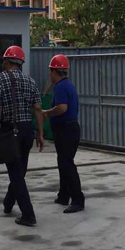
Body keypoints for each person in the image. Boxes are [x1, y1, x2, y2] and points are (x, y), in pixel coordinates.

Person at [0, 45, 44, 227]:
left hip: (10, 130)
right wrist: (40, 133)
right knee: (20, 171)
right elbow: (38, 109)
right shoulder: (30, 81)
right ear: (20, 63)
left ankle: (28, 214)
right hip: (27, 130)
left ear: (7, 61)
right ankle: (8, 203)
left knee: (16, 174)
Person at [42, 55, 84, 214]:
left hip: (66, 130)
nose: (50, 75)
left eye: (50, 72)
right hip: (69, 129)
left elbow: (62, 108)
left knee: (67, 164)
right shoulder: (68, 85)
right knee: (63, 162)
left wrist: (47, 113)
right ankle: (64, 195)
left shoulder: (60, 87)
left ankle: (78, 199)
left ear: (54, 71)